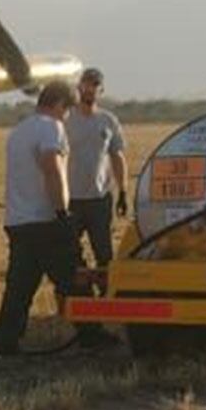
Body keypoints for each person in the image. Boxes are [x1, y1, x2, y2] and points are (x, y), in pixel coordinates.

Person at [0, 80, 78, 355]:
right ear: (59, 105)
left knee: (19, 286)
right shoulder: (50, 127)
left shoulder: (18, 131)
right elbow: (52, 169)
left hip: (18, 221)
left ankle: (6, 341)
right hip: (45, 220)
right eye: (67, 111)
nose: (67, 117)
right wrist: (62, 212)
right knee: (73, 278)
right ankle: (91, 333)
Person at [65, 67, 130, 268]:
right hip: (70, 200)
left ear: (101, 90)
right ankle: (78, 292)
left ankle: (104, 294)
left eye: (95, 85)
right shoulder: (66, 119)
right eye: (86, 84)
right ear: (79, 87)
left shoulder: (108, 121)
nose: (90, 89)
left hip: (99, 199)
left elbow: (117, 157)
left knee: (104, 254)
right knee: (68, 251)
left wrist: (123, 192)